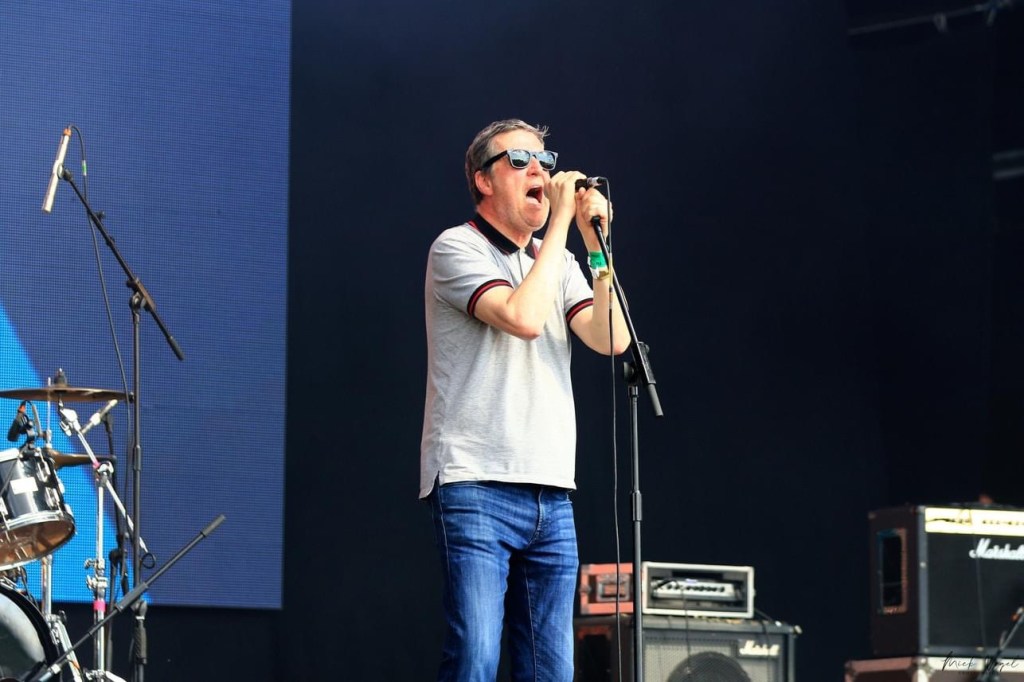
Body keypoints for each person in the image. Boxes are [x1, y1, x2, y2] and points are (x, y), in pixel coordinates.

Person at [420, 119, 631, 682]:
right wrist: (561, 221)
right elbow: (523, 317)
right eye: (519, 160)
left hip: (551, 491)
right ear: (482, 179)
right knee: (475, 657)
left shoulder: (558, 261)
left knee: (551, 669)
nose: (540, 170)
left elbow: (612, 338)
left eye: (545, 160)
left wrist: (595, 247)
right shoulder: (456, 246)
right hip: (475, 481)